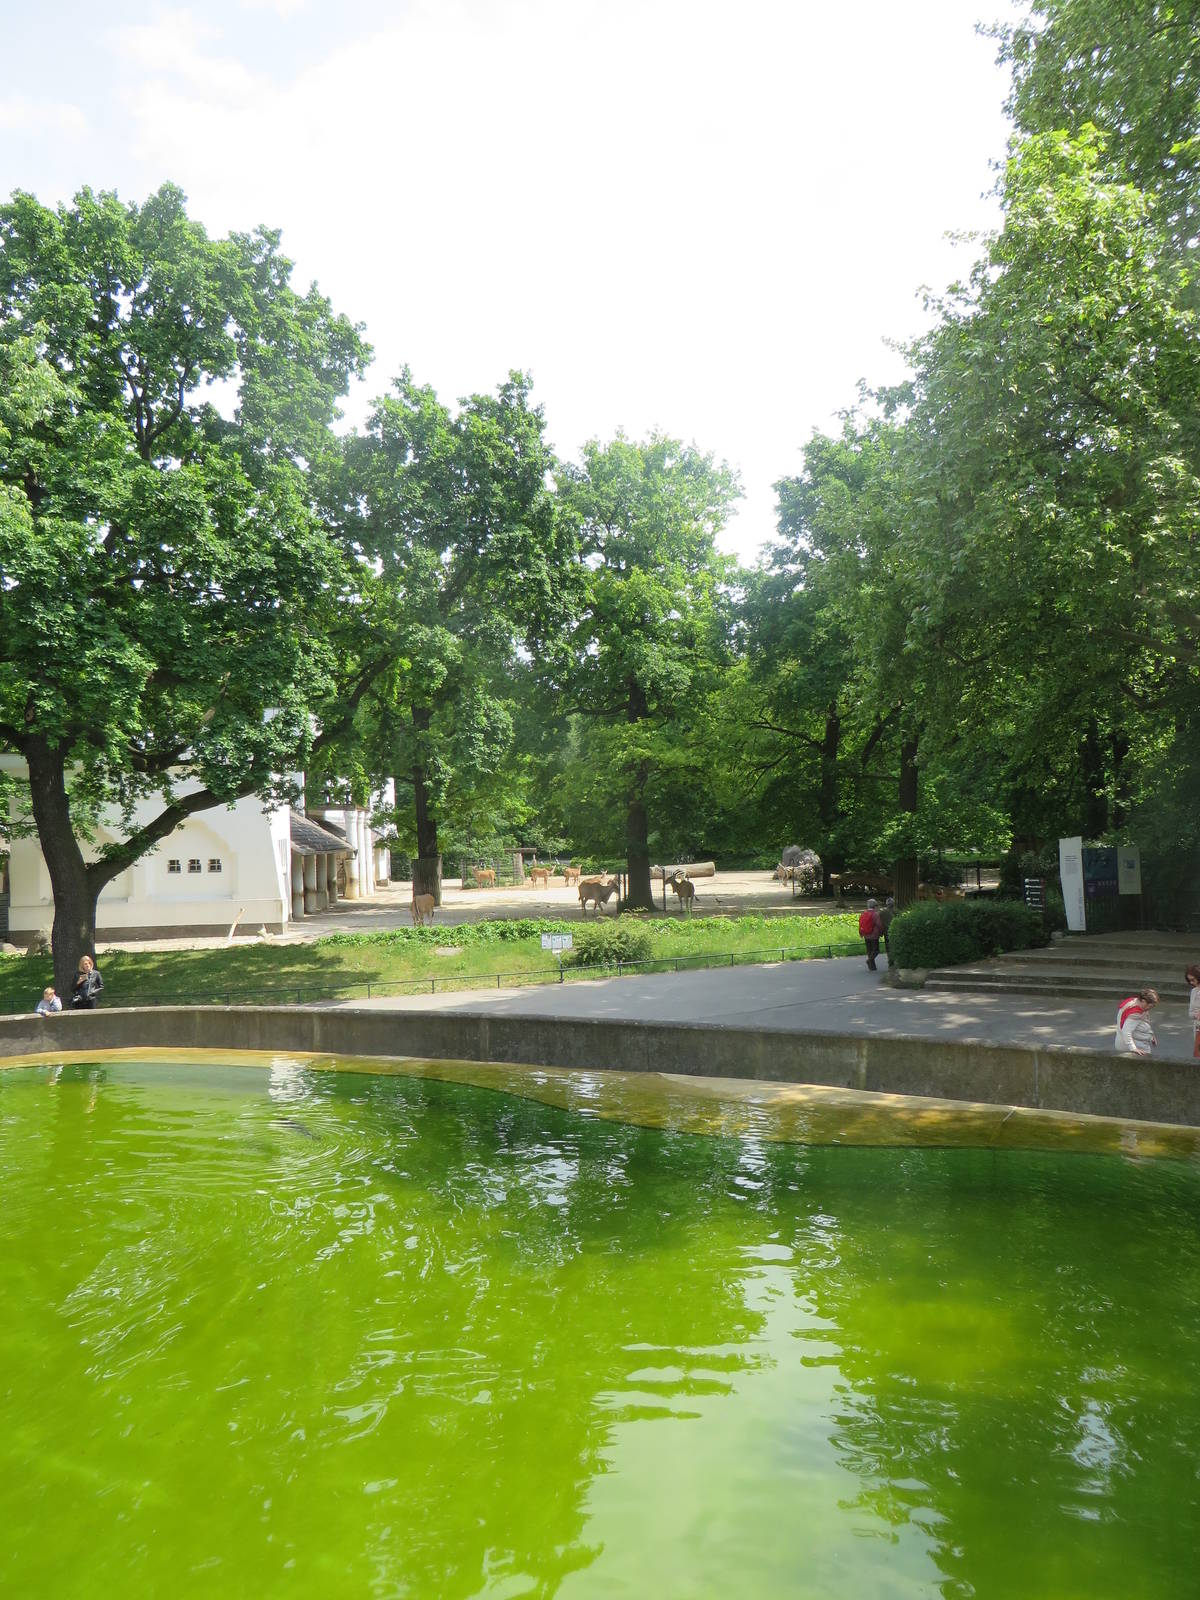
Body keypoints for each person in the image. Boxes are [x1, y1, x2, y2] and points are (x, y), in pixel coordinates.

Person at [1114, 988, 1158, 1055]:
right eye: (1150, 1006)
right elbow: (1126, 1031)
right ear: (1143, 1001)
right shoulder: (1135, 1013)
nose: (1150, 1008)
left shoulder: (1134, 1001)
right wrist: (1133, 1048)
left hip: (1126, 1042)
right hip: (1136, 1045)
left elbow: (1145, 1019)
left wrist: (1152, 1036)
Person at [858, 898, 882, 972]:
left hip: (866, 934)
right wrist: (881, 932)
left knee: (869, 951)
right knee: (876, 950)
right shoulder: (875, 914)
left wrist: (861, 933)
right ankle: (869, 960)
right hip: (874, 935)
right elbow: (879, 924)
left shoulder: (863, 913)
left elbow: (860, 924)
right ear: (875, 906)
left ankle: (872, 967)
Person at [1187, 965, 1200, 1060]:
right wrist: (1196, 1015)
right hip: (1198, 1028)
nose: (1191, 983)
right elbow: (1190, 1013)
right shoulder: (1194, 991)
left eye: (1193, 980)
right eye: (1189, 981)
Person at [878, 896, 896, 964]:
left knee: (888, 946)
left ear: (886, 904)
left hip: (886, 931)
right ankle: (894, 959)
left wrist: (880, 932)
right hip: (895, 931)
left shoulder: (882, 912)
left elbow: (879, 922)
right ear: (893, 904)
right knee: (894, 945)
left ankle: (890, 959)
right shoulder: (896, 911)